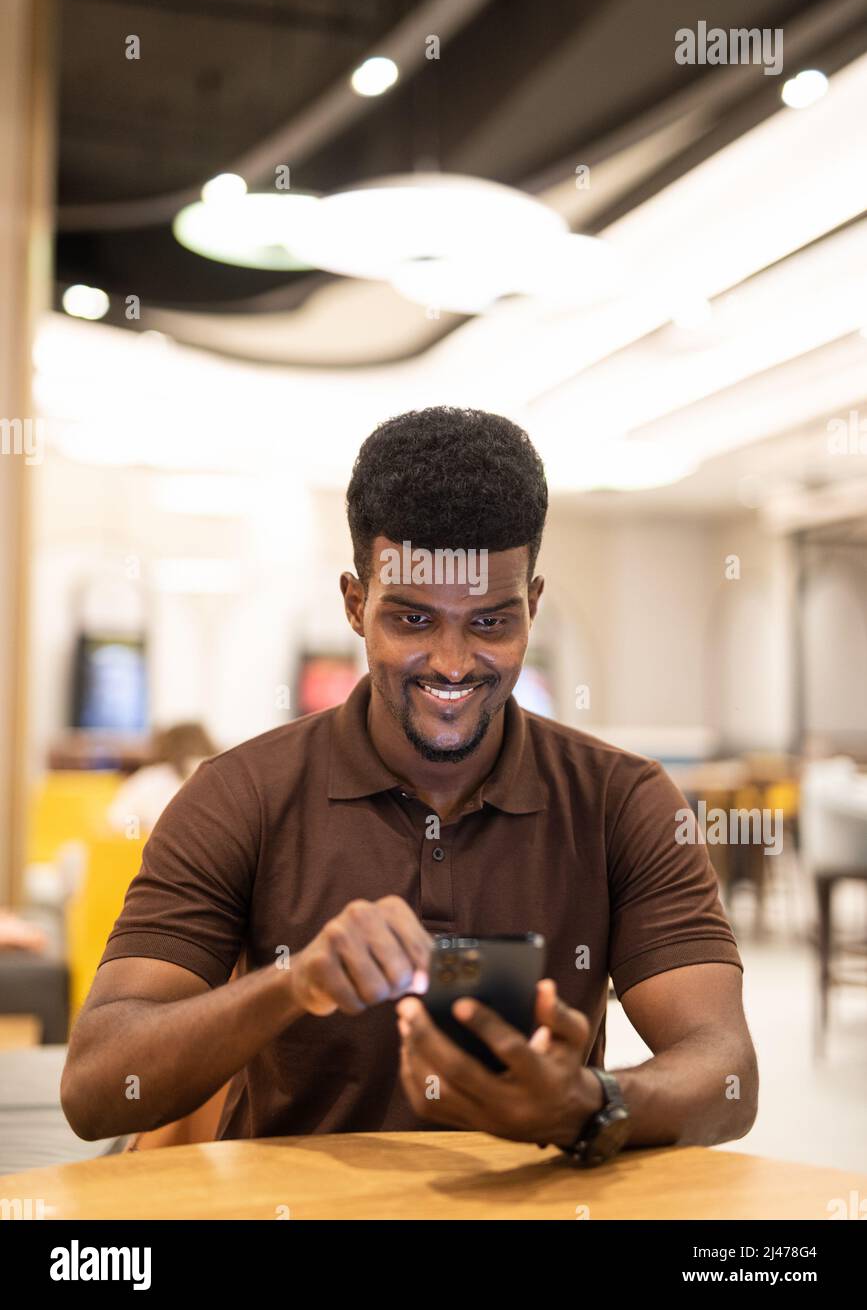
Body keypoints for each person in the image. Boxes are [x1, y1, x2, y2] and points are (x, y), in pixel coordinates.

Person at [61, 408, 757, 1164]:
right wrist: (291, 985)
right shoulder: (239, 795)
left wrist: (590, 1104)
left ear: (533, 606)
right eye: (414, 619)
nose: (452, 663)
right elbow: (96, 1089)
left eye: (490, 622)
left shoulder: (621, 801)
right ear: (356, 605)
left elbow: (725, 1072)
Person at [107, 723, 216, 840]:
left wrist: (137, 838)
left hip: (155, 850)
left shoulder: (150, 779)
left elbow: (120, 818)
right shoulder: (219, 775)